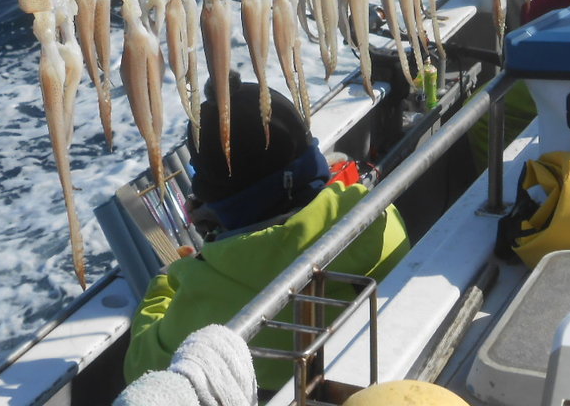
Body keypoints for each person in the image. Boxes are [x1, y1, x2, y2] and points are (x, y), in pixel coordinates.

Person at [124, 71, 410, 392]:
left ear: (216, 200)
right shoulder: (378, 217)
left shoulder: (198, 292)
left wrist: (168, 280)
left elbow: (143, 369)